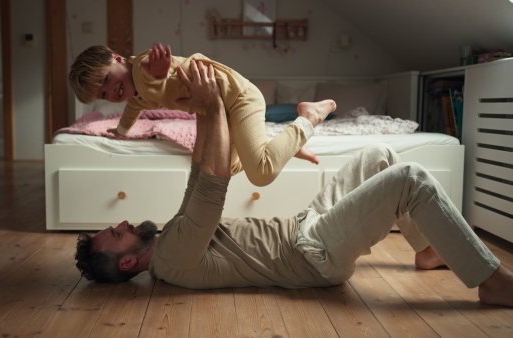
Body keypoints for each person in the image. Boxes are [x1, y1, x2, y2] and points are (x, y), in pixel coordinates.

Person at [74, 61, 513, 308]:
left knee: (379, 155)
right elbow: (215, 183)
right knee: (409, 179)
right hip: (314, 254)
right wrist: (211, 107)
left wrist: (206, 109)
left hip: (305, 226)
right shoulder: (170, 259)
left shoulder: (167, 240)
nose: (124, 223)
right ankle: (491, 280)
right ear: (128, 264)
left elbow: (199, 172)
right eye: (117, 234)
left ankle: (427, 249)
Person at [68, 43, 336, 187]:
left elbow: (154, 82)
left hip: (238, 98)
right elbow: (135, 106)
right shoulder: (136, 91)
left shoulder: (144, 67)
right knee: (225, 168)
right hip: (219, 111)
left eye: (105, 80)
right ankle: (283, 146)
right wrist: (122, 130)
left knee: (262, 173)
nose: (110, 91)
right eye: (103, 95)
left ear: (117, 58)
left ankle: (309, 117)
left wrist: (159, 74)